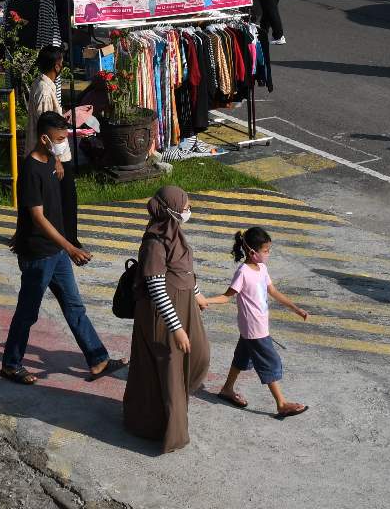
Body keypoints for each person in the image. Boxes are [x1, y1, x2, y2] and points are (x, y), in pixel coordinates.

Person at [0, 111, 123, 386]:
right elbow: (38, 217)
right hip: (39, 255)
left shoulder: (49, 160)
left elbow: (53, 163)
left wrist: (57, 159)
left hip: (55, 254)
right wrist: (70, 247)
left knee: (74, 306)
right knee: (27, 312)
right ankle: (10, 364)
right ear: (44, 138)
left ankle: (98, 359)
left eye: (64, 138)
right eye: (58, 140)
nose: (63, 144)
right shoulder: (30, 171)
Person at [123, 185, 208, 452]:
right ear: (170, 210)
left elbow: (184, 270)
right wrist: (177, 329)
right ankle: (167, 430)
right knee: (170, 368)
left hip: (186, 307)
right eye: (184, 207)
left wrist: (196, 293)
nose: (188, 211)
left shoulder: (175, 235)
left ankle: (173, 407)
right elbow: (157, 289)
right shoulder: (154, 243)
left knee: (200, 356)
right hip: (164, 315)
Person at [207, 226, 309, 419]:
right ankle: (281, 404)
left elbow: (273, 291)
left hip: (257, 326)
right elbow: (227, 296)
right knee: (270, 362)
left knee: (242, 358)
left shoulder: (262, 268)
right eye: (265, 250)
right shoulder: (243, 272)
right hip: (254, 329)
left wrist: (296, 309)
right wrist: (205, 300)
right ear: (252, 252)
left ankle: (227, 389)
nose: (268, 254)